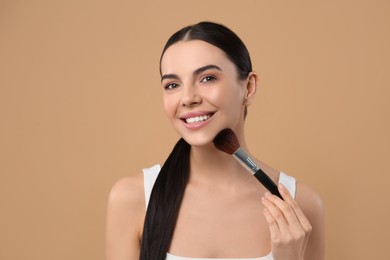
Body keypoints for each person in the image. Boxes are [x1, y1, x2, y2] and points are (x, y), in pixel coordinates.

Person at [106, 21, 325, 260]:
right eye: (172, 85)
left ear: (249, 87)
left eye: (208, 78)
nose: (188, 98)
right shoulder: (132, 199)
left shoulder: (301, 204)